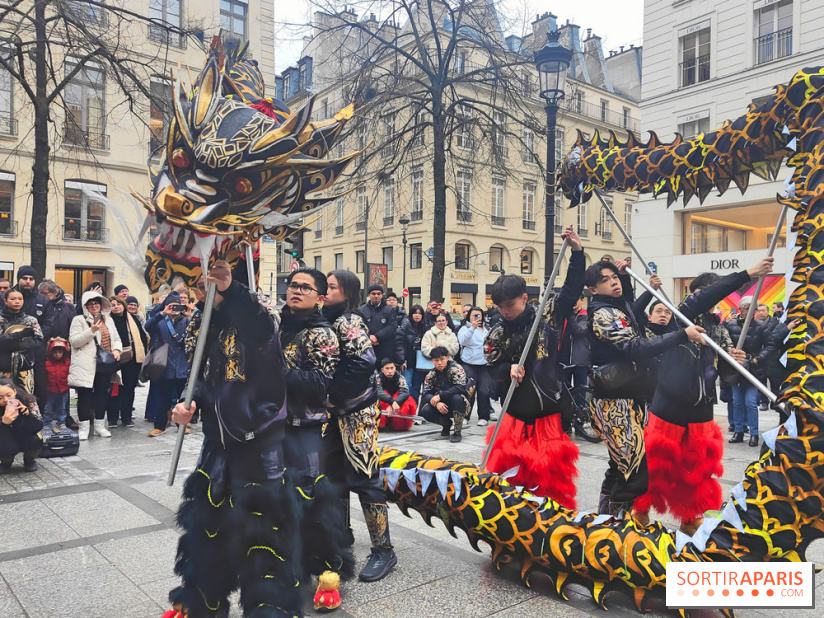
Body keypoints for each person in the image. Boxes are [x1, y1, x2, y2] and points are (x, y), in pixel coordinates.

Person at [165, 260, 304, 618]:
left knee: (264, 541)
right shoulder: (202, 320)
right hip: (217, 447)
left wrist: (230, 288)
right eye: (198, 284)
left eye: (207, 282)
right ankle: (205, 607)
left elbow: (259, 327)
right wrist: (186, 401)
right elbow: (199, 373)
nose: (202, 289)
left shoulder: (261, 315)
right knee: (208, 535)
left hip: (260, 446)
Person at [632, 259, 772, 534]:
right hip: (670, 403)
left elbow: (725, 374)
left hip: (701, 407)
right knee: (658, 463)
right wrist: (747, 274)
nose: (711, 297)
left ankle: (690, 517)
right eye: (706, 292)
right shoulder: (680, 314)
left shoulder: (718, 329)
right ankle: (640, 511)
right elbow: (707, 295)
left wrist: (737, 361)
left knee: (696, 468)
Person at [586, 259, 706, 518]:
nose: (613, 281)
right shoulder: (604, 314)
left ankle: (606, 524)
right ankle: (617, 531)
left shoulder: (617, 306)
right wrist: (682, 335)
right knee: (635, 476)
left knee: (620, 469)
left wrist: (633, 281)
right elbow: (635, 347)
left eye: (614, 277)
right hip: (615, 404)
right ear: (593, 289)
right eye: (605, 280)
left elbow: (629, 308)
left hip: (630, 399)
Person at [483, 226, 584, 507]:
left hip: (549, 413)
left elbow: (571, 289)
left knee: (548, 484)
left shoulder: (547, 315)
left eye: (510, 304)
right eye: (500, 306)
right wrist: (508, 369)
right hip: (513, 415)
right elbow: (491, 368)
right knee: (510, 482)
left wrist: (576, 253)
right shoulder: (496, 332)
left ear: (525, 298)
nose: (505, 310)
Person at [279, 267, 354, 590]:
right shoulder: (274, 326)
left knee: (311, 501)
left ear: (320, 298)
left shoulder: (322, 334)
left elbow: (319, 385)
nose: (296, 291)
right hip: (270, 429)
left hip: (304, 429)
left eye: (305, 288)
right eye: (293, 285)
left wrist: (275, 370)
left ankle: (328, 576)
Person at [323, 270, 398, 582]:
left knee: (365, 478)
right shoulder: (325, 319)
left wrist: (332, 393)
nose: (324, 291)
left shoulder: (349, 321)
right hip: (333, 414)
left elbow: (364, 361)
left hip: (357, 412)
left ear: (347, 292)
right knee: (333, 476)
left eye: (330, 287)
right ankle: (342, 535)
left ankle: (383, 550)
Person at [68, 291, 122, 440]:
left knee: (102, 395)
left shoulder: (108, 319)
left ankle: (99, 426)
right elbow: (74, 341)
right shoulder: (78, 320)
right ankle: (84, 428)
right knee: (84, 396)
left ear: (101, 305)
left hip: (104, 363)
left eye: (96, 303)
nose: (93, 306)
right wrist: (91, 330)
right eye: (90, 304)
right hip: (85, 363)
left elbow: (116, 338)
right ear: (85, 306)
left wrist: (117, 349)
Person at [725, 296, 777, 446]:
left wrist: (757, 359)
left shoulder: (760, 326)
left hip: (754, 369)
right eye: (748, 308)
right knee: (737, 402)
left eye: (753, 309)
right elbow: (725, 344)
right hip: (735, 369)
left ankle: (754, 433)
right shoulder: (731, 325)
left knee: (751, 402)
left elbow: (770, 346)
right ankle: (739, 431)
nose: (751, 312)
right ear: (741, 309)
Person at [144, 291, 190, 437]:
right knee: (162, 398)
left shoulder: (186, 321)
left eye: (177, 306)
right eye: (172, 306)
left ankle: (181, 425)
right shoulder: (161, 321)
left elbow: (200, 333)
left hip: (183, 365)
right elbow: (147, 326)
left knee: (182, 400)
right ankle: (160, 426)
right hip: (165, 366)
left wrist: (190, 315)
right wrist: (163, 313)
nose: (174, 309)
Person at [38, 280, 79, 429]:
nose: (41, 296)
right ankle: (45, 417)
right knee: (46, 384)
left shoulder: (66, 307)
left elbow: (72, 327)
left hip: (63, 351)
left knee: (63, 384)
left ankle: (65, 417)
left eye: (44, 294)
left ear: (54, 293)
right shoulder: (41, 306)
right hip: (44, 349)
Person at [13, 266, 53, 408]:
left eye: (31, 279)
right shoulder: (9, 298)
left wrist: (34, 340)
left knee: (39, 388)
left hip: (36, 352)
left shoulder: (44, 300)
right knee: (12, 387)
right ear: (18, 279)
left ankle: (37, 422)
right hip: (12, 351)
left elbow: (48, 325)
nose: (28, 281)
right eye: (24, 278)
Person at [107, 296, 147, 428]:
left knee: (129, 388)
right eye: (113, 305)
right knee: (114, 388)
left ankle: (126, 417)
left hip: (131, 358)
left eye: (119, 304)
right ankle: (112, 418)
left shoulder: (132, 319)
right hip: (113, 357)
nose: (116, 306)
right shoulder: (107, 320)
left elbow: (141, 337)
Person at [419, 346, 470, 442]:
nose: (439, 363)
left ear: (447, 358)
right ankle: (446, 424)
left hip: (460, 403)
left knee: (457, 398)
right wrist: (436, 402)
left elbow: (460, 387)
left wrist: (440, 396)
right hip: (441, 404)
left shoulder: (456, 368)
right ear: (432, 361)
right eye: (436, 360)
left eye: (442, 359)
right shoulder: (431, 374)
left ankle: (457, 432)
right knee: (425, 411)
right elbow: (426, 392)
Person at [0, 289, 43, 394]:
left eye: (20, 299)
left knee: (27, 399)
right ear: (5, 301)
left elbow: (39, 341)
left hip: (25, 366)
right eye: (13, 299)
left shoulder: (31, 320)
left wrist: (21, 345)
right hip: (2, 366)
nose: (17, 301)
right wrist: (19, 335)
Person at [559, 293, 590, 432]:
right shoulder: (563, 316)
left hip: (580, 359)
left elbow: (578, 331)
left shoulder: (585, 315)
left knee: (580, 392)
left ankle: (579, 423)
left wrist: (570, 314)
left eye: (575, 299)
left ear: (581, 300)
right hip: (564, 358)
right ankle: (565, 422)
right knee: (565, 392)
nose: (573, 303)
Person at [457, 307, 493, 426]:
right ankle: (465, 416)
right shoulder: (465, 328)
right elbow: (463, 341)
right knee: (469, 390)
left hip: (484, 364)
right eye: (474, 315)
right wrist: (472, 327)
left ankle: (483, 416)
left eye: (479, 315)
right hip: (469, 363)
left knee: (484, 390)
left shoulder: (487, 329)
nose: (476, 318)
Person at [0, 378, 43, 474]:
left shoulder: (29, 401)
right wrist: (4, 423)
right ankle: (6, 462)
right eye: (0, 398)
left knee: (35, 438)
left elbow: (39, 425)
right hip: (6, 438)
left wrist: (28, 415)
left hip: (25, 434)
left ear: (14, 391)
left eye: (8, 395)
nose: (6, 400)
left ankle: (30, 460)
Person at [395, 304, 428, 408]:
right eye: (415, 313)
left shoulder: (425, 328)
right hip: (408, 361)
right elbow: (399, 344)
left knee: (416, 388)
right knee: (407, 386)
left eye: (419, 313)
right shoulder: (405, 326)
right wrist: (401, 360)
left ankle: (413, 410)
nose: (417, 316)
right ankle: (406, 409)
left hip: (421, 362)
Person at [359, 285, 397, 368]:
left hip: (384, 351)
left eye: (378, 294)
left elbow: (392, 327)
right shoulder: (362, 310)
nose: (376, 296)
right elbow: (358, 327)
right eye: (373, 294)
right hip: (367, 349)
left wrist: (377, 337)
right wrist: (369, 337)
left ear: (382, 295)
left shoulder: (389, 310)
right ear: (369, 295)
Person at [376, 358, 416, 431]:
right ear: (382, 370)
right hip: (385, 401)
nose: (390, 371)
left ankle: (399, 424)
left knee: (408, 402)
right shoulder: (377, 378)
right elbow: (378, 391)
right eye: (387, 368)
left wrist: (395, 402)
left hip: (397, 402)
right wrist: (391, 402)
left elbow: (405, 392)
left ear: (395, 368)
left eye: (392, 368)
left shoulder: (400, 378)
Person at [44, 338, 71, 432]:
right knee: (48, 408)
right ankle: (47, 423)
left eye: (60, 352)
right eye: (55, 352)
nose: (57, 354)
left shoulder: (68, 363)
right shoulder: (47, 363)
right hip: (50, 389)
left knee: (62, 408)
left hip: (63, 389)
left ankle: (62, 422)